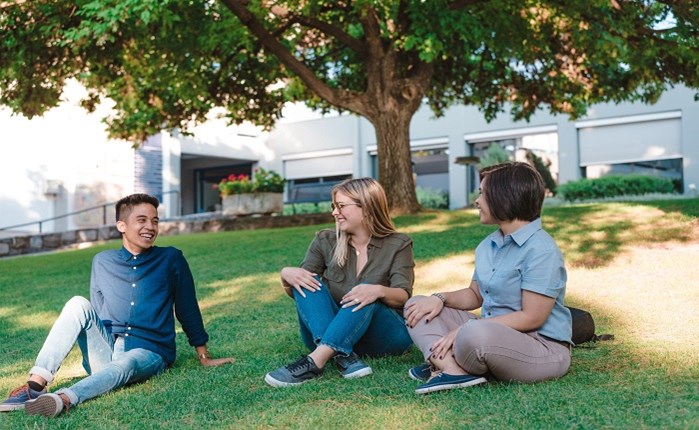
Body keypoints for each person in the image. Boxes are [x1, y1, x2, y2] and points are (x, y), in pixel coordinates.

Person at [0, 193, 234, 417]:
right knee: (77, 303)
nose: (150, 227)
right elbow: (98, 312)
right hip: (108, 350)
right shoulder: (102, 261)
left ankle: (63, 398)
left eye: (155, 221)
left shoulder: (171, 258)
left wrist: (203, 355)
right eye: (141, 220)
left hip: (149, 351)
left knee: (127, 362)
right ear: (121, 225)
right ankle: (34, 386)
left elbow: (187, 306)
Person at [404, 162, 572, 395]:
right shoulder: (489, 245)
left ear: (505, 195)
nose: (477, 200)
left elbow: (532, 317)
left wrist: (465, 329)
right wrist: (438, 298)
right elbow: (475, 294)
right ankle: (452, 368)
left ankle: (446, 359)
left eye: (483, 193)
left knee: (473, 333)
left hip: (539, 347)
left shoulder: (541, 250)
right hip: (489, 334)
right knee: (418, 306)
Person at [265, 177, 414, 387]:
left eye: (341, 206)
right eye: (334, 206)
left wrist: (377, 290)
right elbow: (305, 294)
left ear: (367, 206)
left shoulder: (398, 243)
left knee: (364, 293)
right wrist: (286, 275)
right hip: (331, 329)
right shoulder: (325, 240)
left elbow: (403, 295)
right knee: (308, 279)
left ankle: (316, 361)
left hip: (383, 336)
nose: (334, 212)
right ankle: (342, 354)